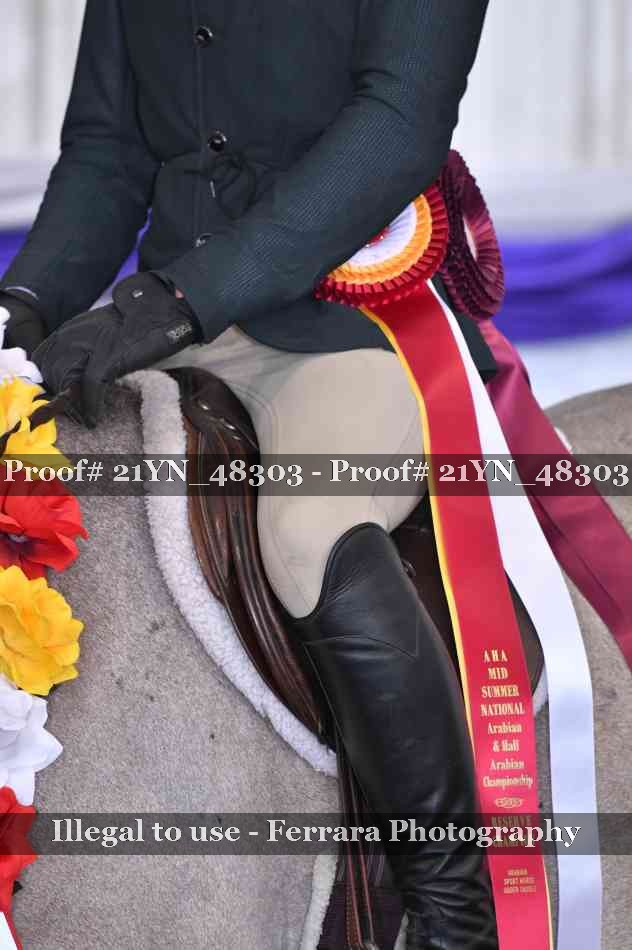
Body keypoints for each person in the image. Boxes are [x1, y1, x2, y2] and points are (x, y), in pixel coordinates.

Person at [1, 2, 498, 947]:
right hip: (160, 323)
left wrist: (185, 296)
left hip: (347, 325)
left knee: (308, 534)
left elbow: (396, 130)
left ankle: (452, 911)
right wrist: (24, 305)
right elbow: (109, 152)